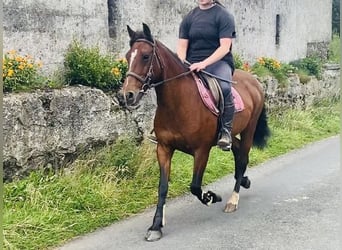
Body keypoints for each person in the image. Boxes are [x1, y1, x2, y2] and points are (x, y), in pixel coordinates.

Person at [177, 0, 236, 151]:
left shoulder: (223, 16)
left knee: (224, 88)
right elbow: (182, 46)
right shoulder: (189, 17)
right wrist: (182, 61)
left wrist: (204, 63)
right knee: (172, 87)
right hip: (192, 63)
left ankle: (226, 131)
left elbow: (224, 48)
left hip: (219, 62)